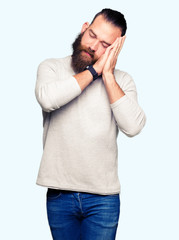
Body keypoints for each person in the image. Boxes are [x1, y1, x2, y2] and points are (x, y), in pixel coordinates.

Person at [35, 8, 146, 240]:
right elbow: (48, 99)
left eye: (106, 45)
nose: (94, 46)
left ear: (116, 49)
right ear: (84, 28)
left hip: (103, 199)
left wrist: (107, 76)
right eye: (92, 35)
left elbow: (133, 127)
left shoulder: (122, 81)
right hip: (60, 195)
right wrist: (94, 70)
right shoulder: (52, 67)